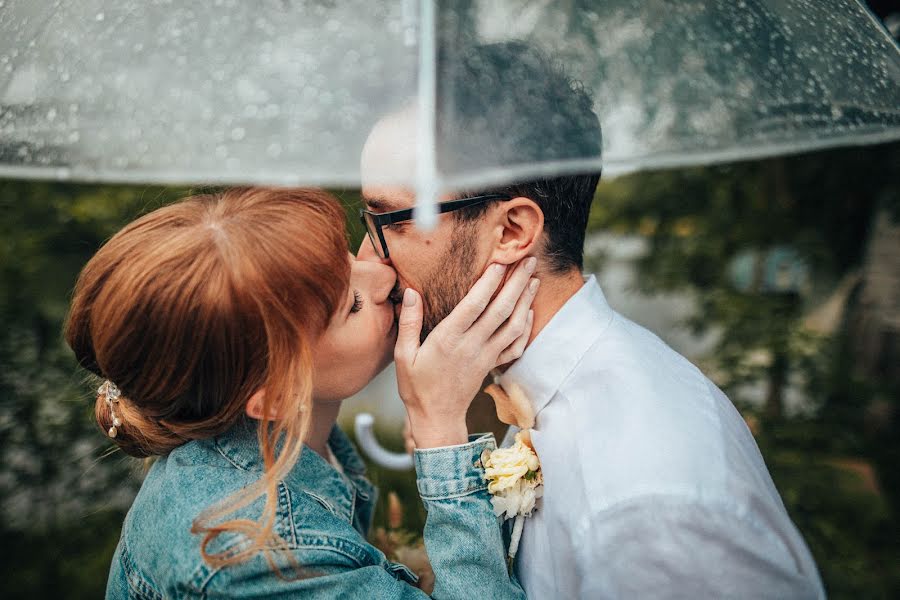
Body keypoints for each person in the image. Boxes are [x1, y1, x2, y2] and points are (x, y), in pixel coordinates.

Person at [358, 41, 826, 598]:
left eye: (390, 220)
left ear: (511, 231)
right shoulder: (546, 387)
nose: (368, 258)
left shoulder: (648, 503)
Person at [64, 187, 535, 599]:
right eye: (349, 304)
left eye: (348, 262)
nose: (384, 275)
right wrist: (440, 427)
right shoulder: (250, 556)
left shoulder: (294, 441)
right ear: (271, 395)